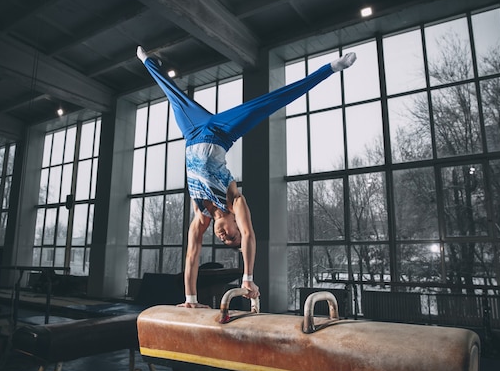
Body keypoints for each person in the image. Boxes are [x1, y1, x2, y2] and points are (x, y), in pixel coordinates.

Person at [136, 46, 356, 308]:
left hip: (192, 132)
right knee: (271, 102)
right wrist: (247, 278)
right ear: (236, 223)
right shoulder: (235, 201)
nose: (223, 237)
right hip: (221, 132)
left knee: (172, 94)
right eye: (231, 236)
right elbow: (249, 236)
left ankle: (148, 62)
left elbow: (192, 256)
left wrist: (190, 299)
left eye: (225, 240)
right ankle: (331, 68)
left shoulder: (201, 216)